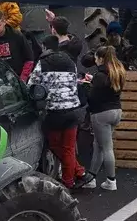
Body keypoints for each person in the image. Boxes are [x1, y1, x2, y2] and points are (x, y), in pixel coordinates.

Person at [33, 32, 86, 185]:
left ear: (44, 47)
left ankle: (75, 172)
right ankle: (70, 179)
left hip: (54, 112)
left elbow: (33, 85)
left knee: (54, 144)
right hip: (73, 110)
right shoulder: (70, 62)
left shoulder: (42, 63)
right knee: (69, 148)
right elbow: (75, 83)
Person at [79, 39, 124, 191]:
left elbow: (93, 97)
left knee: (106, 148)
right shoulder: (117, 71)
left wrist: (85, 87)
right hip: (116, 111)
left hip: (101, 114)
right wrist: (92, 81)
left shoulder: (100, 75)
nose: (95, 60)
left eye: (96, 58)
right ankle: (91, 178)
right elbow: (106, 86)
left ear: (101, 59)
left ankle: (111, 180)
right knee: (98, 145)